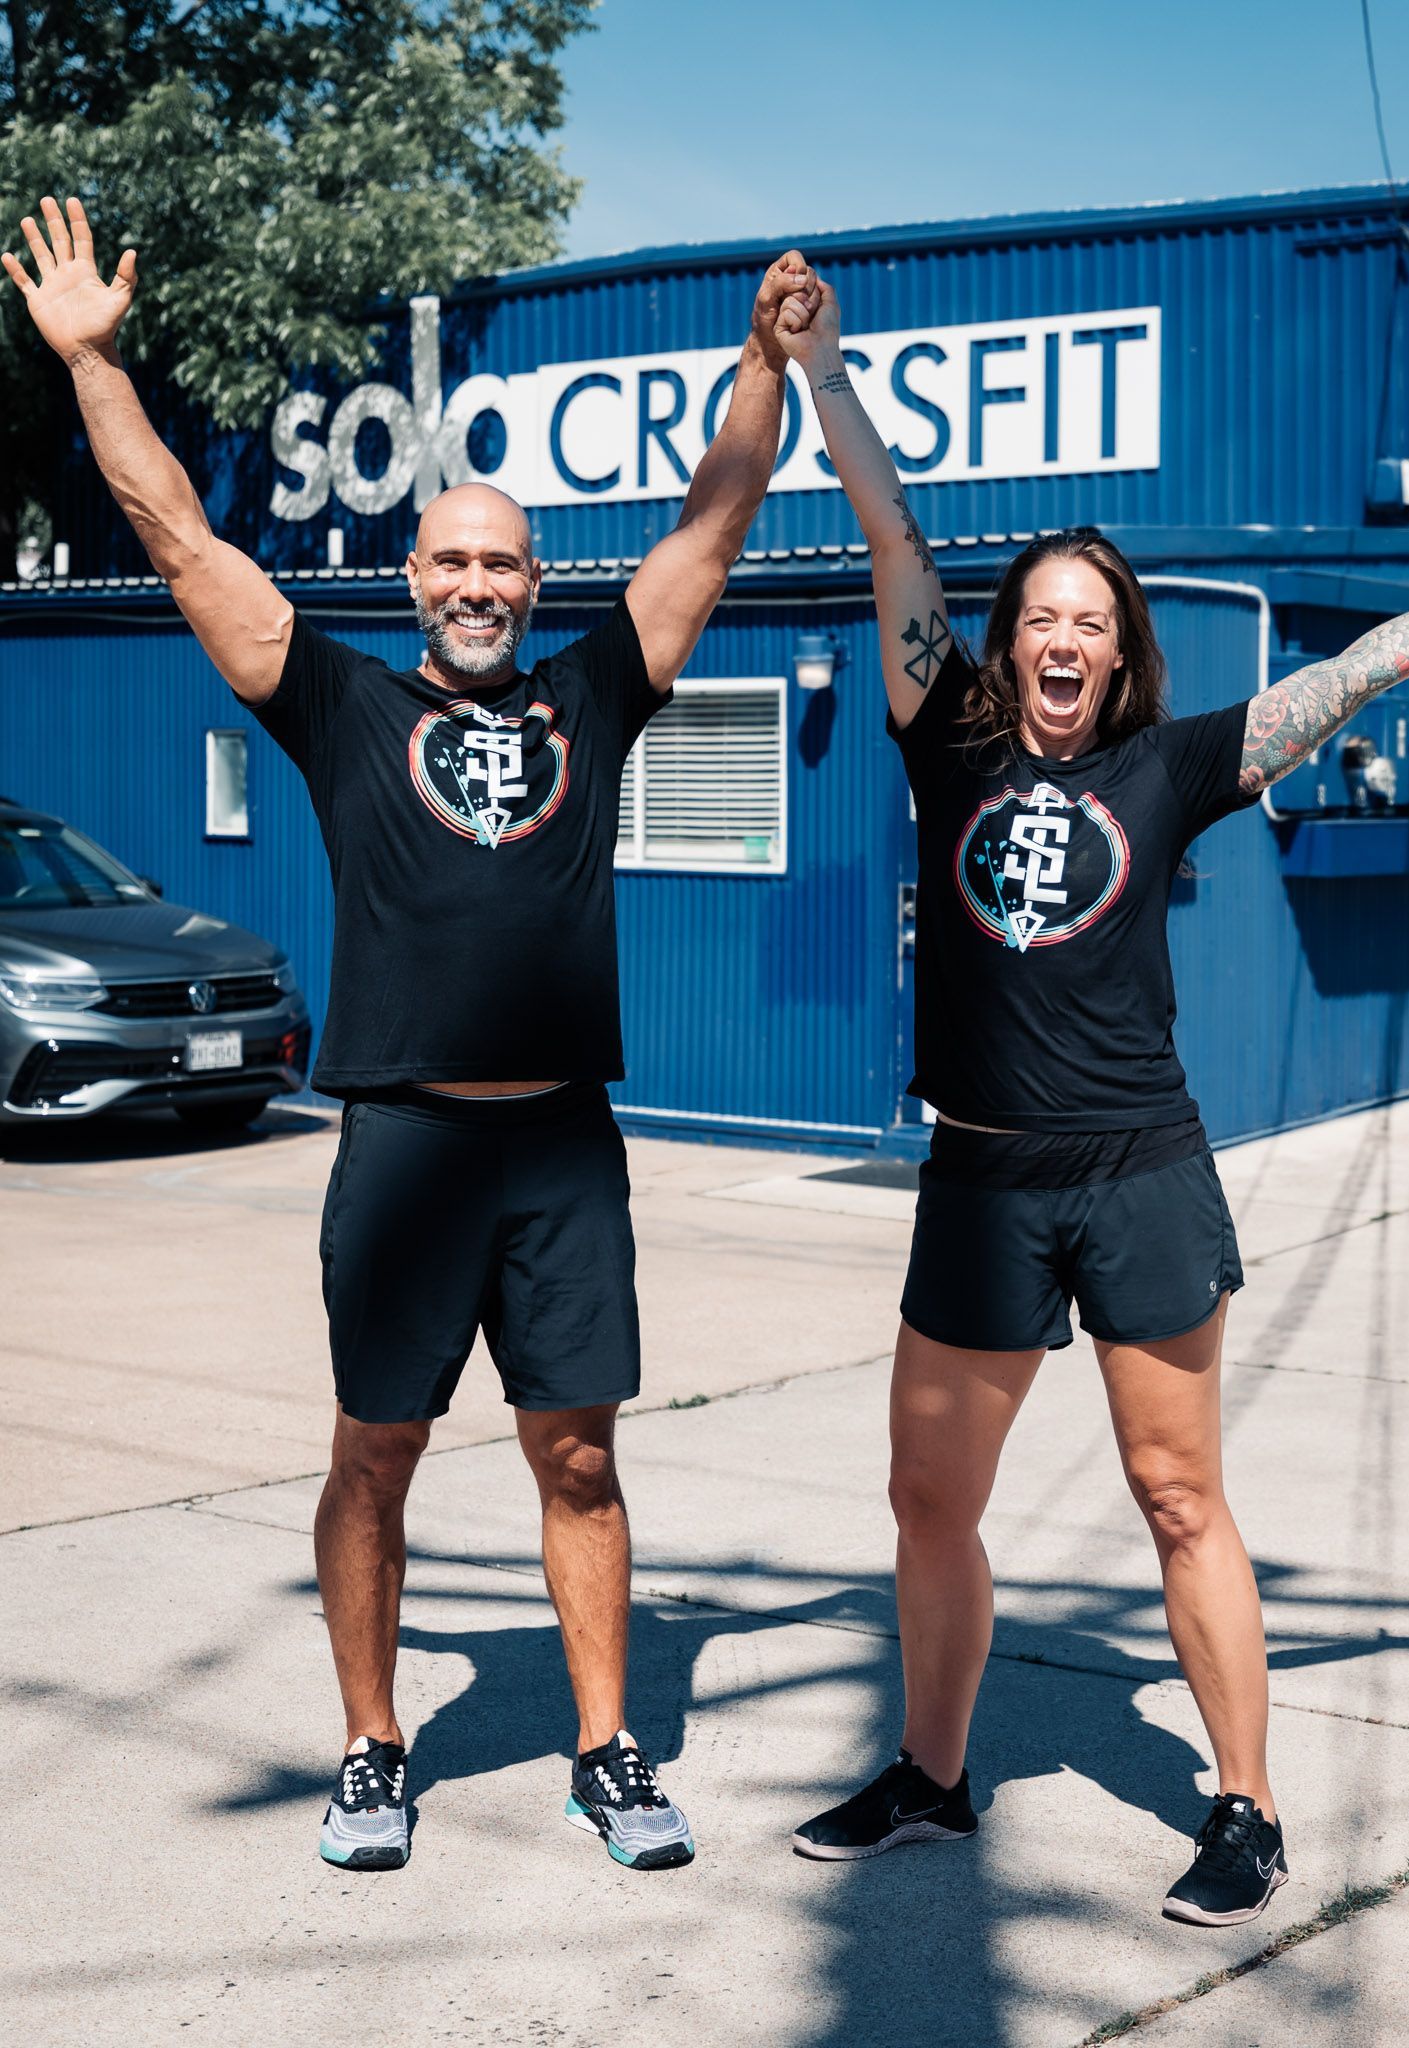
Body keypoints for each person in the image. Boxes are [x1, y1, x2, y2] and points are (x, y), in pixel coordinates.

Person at [771, 275, 1409, 1924]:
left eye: (1091, 621)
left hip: (1139, 1173)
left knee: (1179, 1494)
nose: (1062, 640)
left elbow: (1358, 677)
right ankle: (934, 1779)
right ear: (1007, 635)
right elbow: (887, 526)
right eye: (1040, 615)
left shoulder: (1166, 769)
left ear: (1120, 651)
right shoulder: (940, 729)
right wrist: (819, 374)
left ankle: (1242, 1808)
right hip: (977, 1180)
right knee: (927, 1500)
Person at [5, 196, 819, 1874]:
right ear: (411, 577)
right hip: (404, 1142)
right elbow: (171, 531)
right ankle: (374, 1747)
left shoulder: (595, 691)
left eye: (501, 560)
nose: (474, 582)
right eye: (447, 558)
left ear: (535, 581)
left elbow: (718, 519)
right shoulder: (339, 702)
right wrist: (91, 365)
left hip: (557, 1148)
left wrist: (761, 364)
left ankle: (608, 1750)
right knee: (373, 1452)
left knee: (578, 1453)